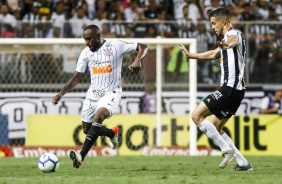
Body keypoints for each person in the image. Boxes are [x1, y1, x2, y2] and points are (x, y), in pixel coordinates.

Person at [52, 24, 148, 169]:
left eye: (90, 39)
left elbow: (144, 46)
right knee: (87, 129)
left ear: (98, 36)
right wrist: (61, 93)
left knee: (99, 116)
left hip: (112, 92)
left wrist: (137, 60)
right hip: (93, 94)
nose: (87, 42)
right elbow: (77, 77)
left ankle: (80, 156)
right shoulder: (85, 53)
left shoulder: (115, 45)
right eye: (85, 39)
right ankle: (111, 133)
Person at [179, 7, 253, 171]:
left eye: (213, 24)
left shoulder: (234, 34)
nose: (212, 27)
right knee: (216, 127)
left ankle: (226, 150)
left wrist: (227, 45)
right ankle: (243, 163)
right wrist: (191, 55)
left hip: (230, 89)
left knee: (196, 115)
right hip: (236, 91)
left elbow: (234, 40)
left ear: (223, 21)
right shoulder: (224, 40)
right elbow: (212, 54)